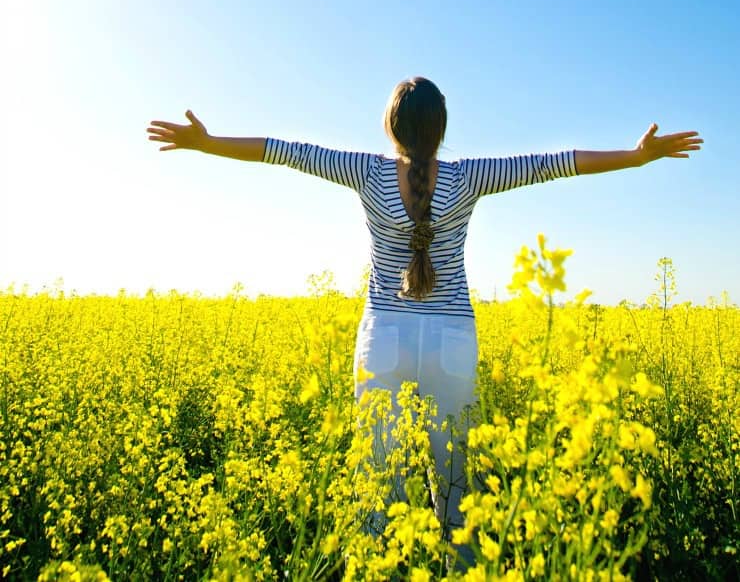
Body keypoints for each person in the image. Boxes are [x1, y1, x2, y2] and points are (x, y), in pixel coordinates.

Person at [146, 76, 702, 551]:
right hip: (453, 339)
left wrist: (208, 142)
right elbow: (554, 165)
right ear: (441, 128)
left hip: (383, 336)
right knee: (459, 486)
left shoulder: (365, 172)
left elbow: (284, 151)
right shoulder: (469, 176)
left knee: (377, 485)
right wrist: (635, 156)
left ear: (391, 127)